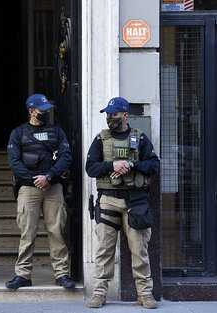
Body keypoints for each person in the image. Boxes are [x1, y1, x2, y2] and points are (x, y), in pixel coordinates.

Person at [86, 97, 160, 309]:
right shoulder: (101, 139)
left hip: (136, 201)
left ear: (126, 115)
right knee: (104, 250)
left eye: (114, 115)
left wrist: (131, 164)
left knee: (139, 250)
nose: (110, 118)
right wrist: (112, 164)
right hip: (108, 199)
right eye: (108, 115)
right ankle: (99, 293)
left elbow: (153, 165)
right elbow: (90, 168)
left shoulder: (141, 138)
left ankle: (145, 294)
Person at [5, 94, 75, 289]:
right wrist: (35, 180)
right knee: (27, 232)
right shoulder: (18, 133)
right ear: (31, 111)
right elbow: (15, 163)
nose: (46, 113)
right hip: (28, 188)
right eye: (43, 111)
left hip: (53, 187)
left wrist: (50, 177)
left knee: (57, 231)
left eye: (47, 110)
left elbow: (66, 157)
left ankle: (61, 274)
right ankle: (23, 275)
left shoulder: (57, 132)